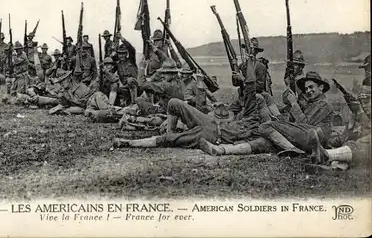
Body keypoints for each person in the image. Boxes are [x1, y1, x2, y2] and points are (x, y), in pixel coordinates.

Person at [113, 54, 273, 155]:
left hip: (212, 136)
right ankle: (169, 129)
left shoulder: (256, 129)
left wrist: (251, 64)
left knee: (171, 139)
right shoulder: (248, 113)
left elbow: (251, 90)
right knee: (174, 103)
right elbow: (244, 96)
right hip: (210, 122)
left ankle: (128, 143)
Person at [257, 71, 334, 156]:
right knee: (269, 130)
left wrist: (294, 103)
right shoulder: (313, 102)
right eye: (306, 89)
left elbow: (306, 124)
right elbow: (297, 124)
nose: (308, 91)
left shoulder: (324, 104)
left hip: (315, 140)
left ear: (321, 87)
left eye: (311, 87)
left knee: (265, 126)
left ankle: (292, 149)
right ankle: (291, 148)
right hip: (309, 138)